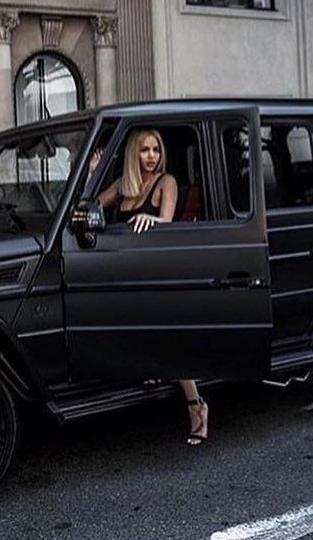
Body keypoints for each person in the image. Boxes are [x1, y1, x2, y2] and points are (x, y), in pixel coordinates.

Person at [97, 128, 209, 445]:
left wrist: (153, 221)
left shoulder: (166, 182)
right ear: (135, 153)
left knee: (168, 336)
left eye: (156, 150)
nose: (151, 157)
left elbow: (168, 224)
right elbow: (90, 205)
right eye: (145, 150)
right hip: (122, 271)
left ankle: (197, 406)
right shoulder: (124, 186)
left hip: (156, 270)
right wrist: (94, 174)